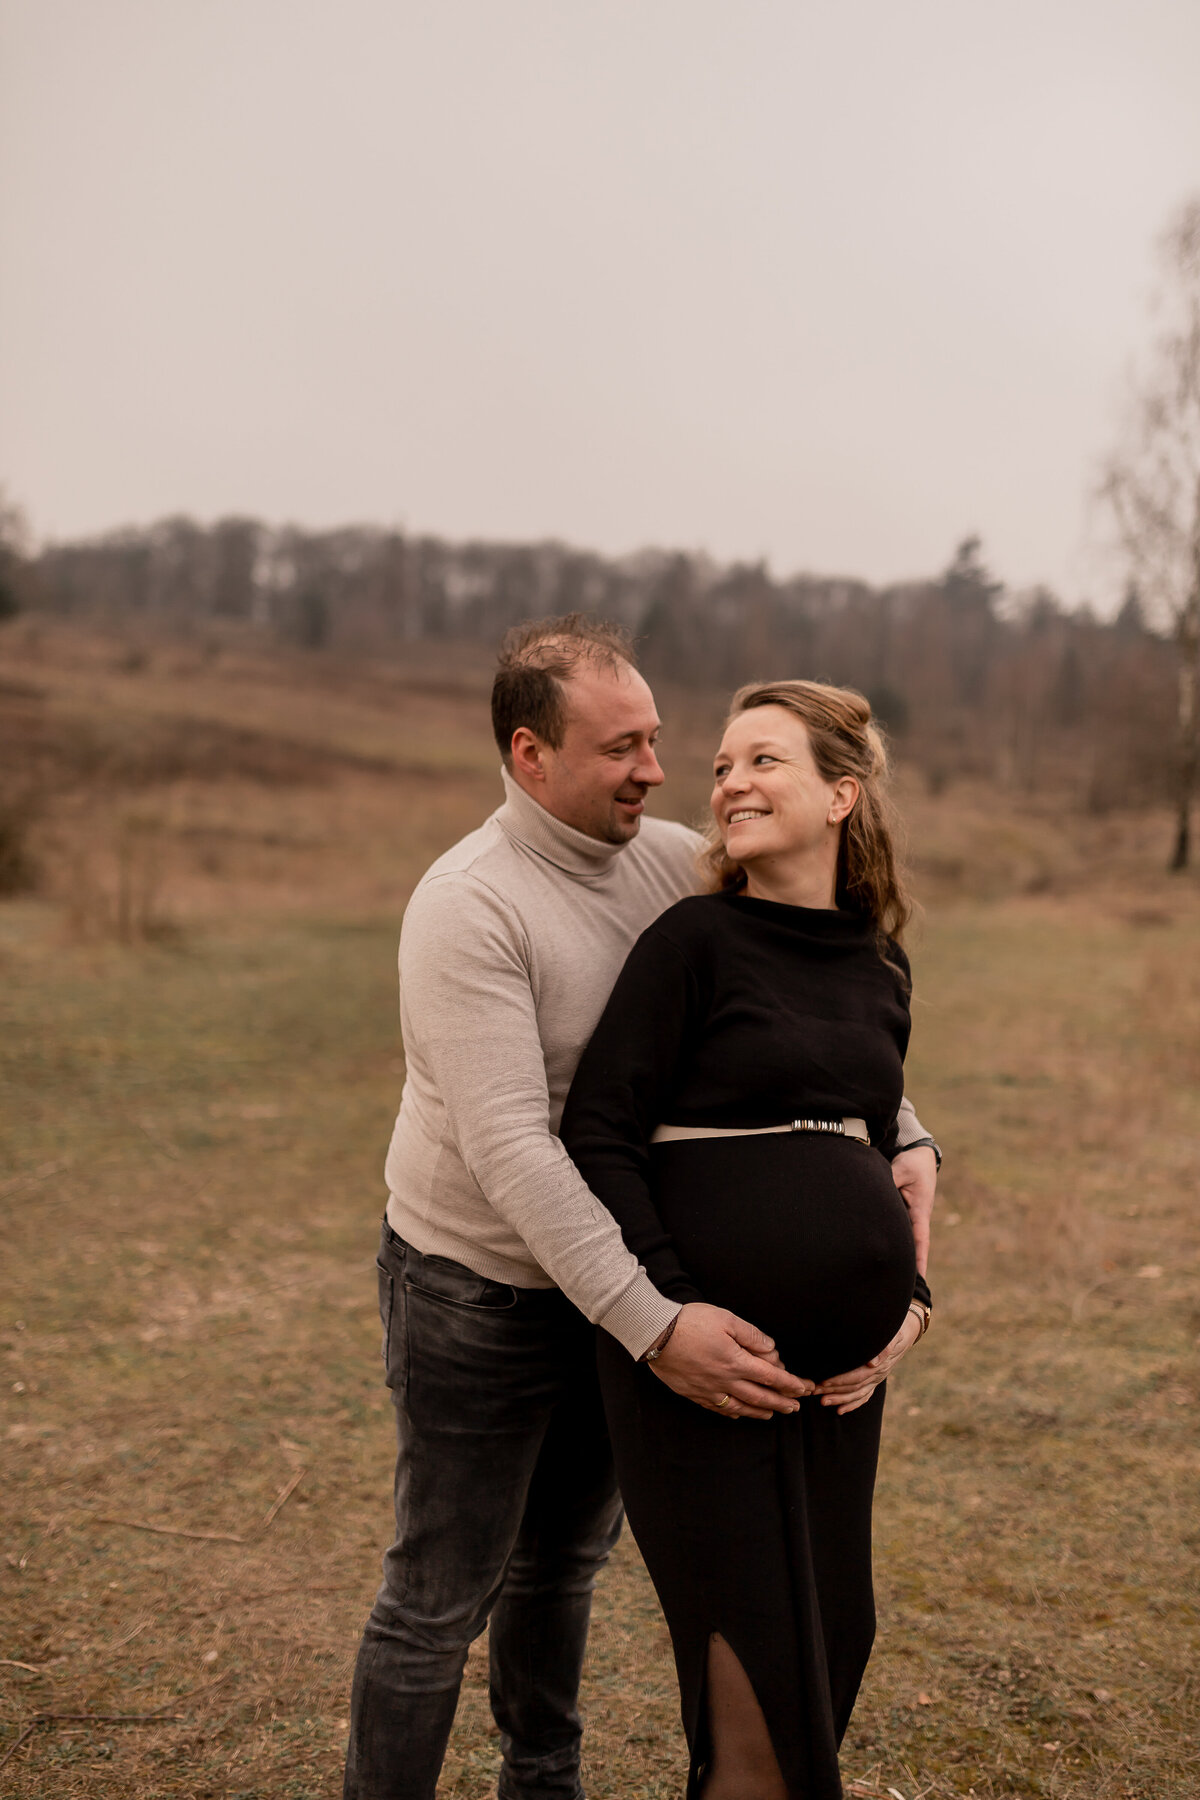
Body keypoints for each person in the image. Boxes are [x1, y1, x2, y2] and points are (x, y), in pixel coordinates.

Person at [344, 622, 939, 1800]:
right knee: (440, 1591)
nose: (663, 774)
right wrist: (658, 1322)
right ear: (530, 754)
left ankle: (542, 1783)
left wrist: (905, 1138)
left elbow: (798, 1006)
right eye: (625, 747)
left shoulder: (672, 859)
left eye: (665, 742)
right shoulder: (470, 906)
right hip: (487, 1281)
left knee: (562, 1563)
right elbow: (518, 1147)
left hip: (615, 1273)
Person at [560, 678, 934, 1800]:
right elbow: (600, 1131)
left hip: (840, 1392)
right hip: (704, 1377)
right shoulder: (693, 940)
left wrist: (910, 1306)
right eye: (722, 765)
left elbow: (887, 1153)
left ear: (841, 795)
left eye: (762, 761)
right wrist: (669, 1313)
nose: (727, 783)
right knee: (752, 1690)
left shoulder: (880, 964)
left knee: (836, 1639)